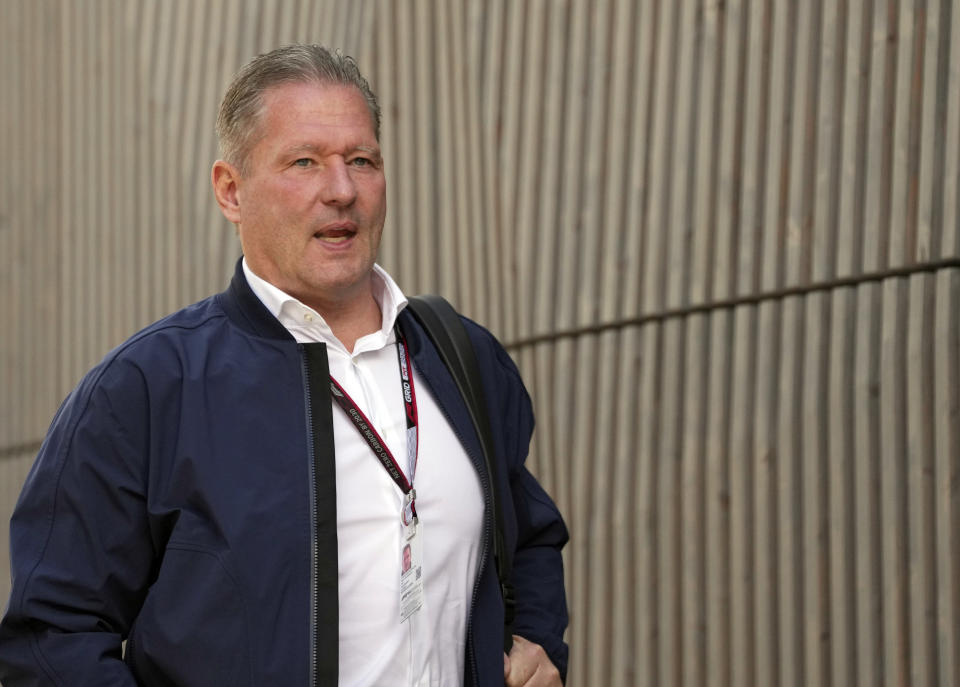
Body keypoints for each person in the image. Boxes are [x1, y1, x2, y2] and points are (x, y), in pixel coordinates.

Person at [0, 44, 568, 686]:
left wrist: (538, 642)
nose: (342, 191)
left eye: (362, 160)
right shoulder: (147, 389)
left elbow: (528, 538)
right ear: (231, 191)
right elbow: (54, 639)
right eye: (304, 162)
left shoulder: (463, 359)